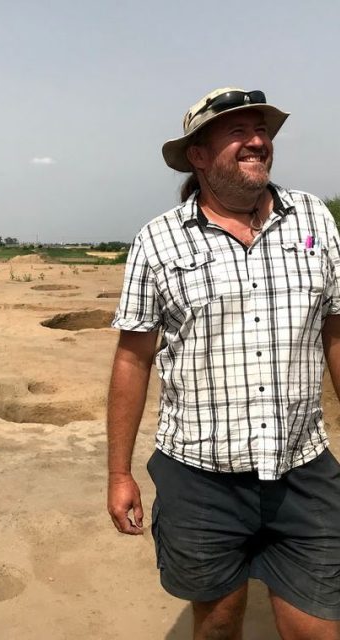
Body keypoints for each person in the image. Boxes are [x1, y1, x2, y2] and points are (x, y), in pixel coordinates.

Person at [106, 87, 340, 639]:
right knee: (217, 623)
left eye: (261, 130)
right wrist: (119, 473)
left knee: (319, 627)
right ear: (198, 155)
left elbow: (336, 331)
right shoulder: (158, 241)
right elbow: (133, 360)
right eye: (238, 131)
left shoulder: (313, 219)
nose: (257, 140)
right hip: (200, 478)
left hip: (302, 468)